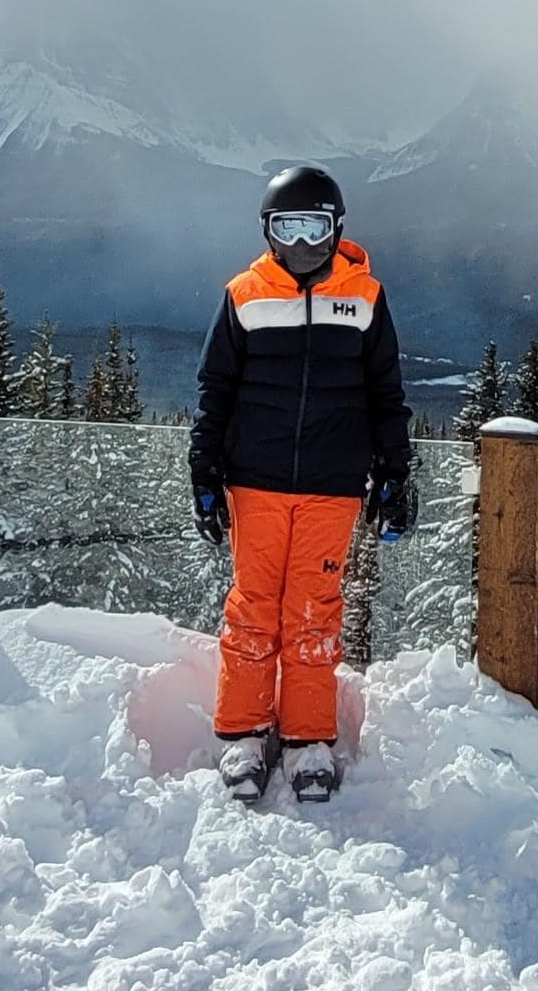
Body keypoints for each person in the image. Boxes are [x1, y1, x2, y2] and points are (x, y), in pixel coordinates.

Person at [191, 163, 415, 804]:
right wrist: (204, 472)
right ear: (267, 231)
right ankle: (243, 732)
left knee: (314, 609)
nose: (300, 243)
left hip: (333, 483)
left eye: (312, 227)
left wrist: (394, 474)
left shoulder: (365, 297)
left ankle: (308, 738)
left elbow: (385, 394)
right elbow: (215, 391)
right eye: (285, 228)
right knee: (255, 606)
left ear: (335, 228)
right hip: (254, 481)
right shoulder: (245, 294)